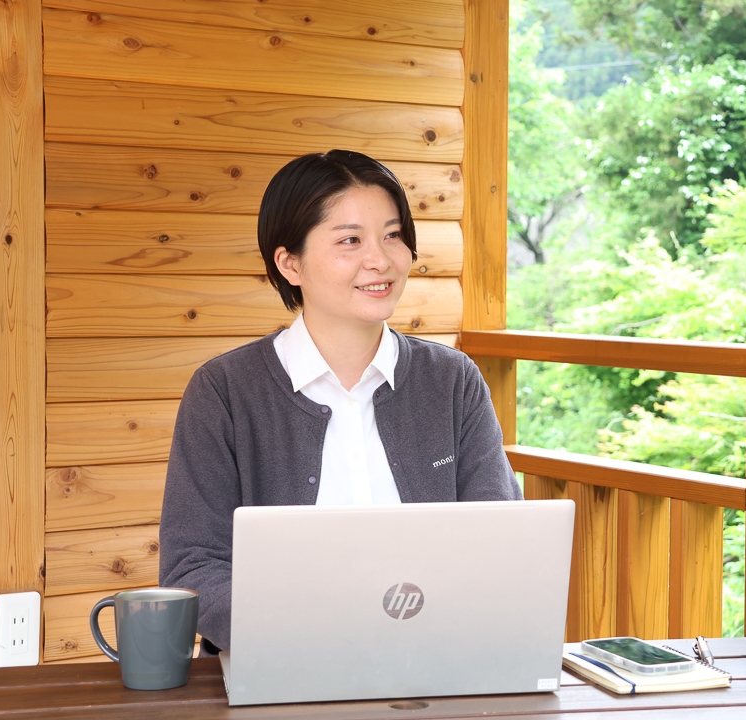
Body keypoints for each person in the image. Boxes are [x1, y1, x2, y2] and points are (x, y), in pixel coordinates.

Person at [159, 150, 521, 655]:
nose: (381, 259)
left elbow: (499, 539)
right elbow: (194, 566)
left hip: (436, 660)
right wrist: (301, 635)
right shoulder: (223, 391)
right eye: (350, 240)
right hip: (279, 667)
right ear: (290, 264)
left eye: (393, 235)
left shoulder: (452, 381)